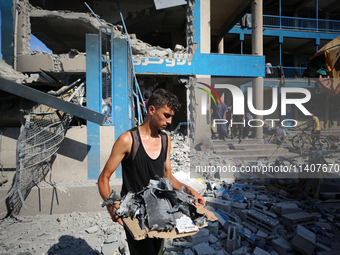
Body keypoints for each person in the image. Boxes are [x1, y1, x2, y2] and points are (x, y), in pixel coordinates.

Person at [98, 89, 205, 255]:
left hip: (160, 212)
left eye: (171, 116)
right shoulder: (128, 140)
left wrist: (189, 190)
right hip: (134, 214)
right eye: (166, 115)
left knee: (158, 252)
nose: (170, 121)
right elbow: (103, 178)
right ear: (152, 110)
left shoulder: (165, 139)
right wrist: (112, 208)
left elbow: (168, 177)